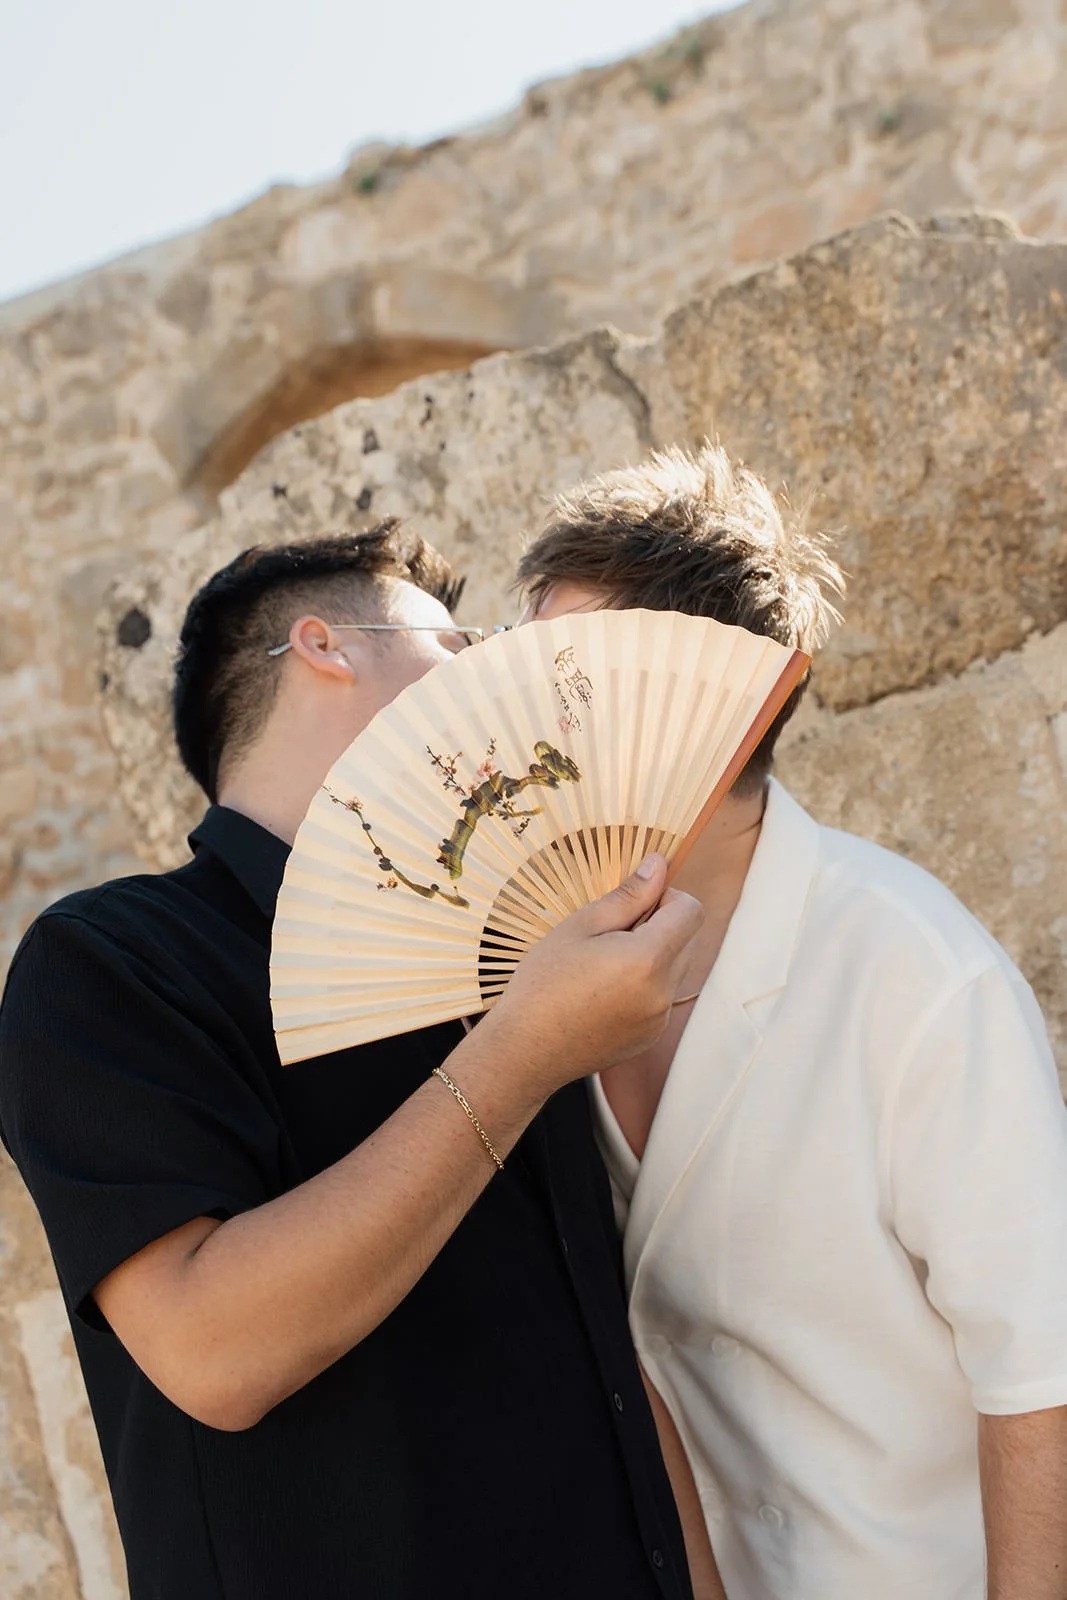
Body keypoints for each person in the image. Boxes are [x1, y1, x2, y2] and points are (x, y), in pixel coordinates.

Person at [0, 523, 711, 1600]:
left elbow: (614, 1366)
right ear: (327, 647)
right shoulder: (108, 962)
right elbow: (213, 1353)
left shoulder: (504, 960)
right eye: (455, 645)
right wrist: (522, 1054)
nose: (484, 681)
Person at [516, 445, 1067, 1600]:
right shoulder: (532, 985)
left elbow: (1041, 1380)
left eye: (580, 681)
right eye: (526, 677)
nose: (534, 727)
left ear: (737, 704)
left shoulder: (913, 978)